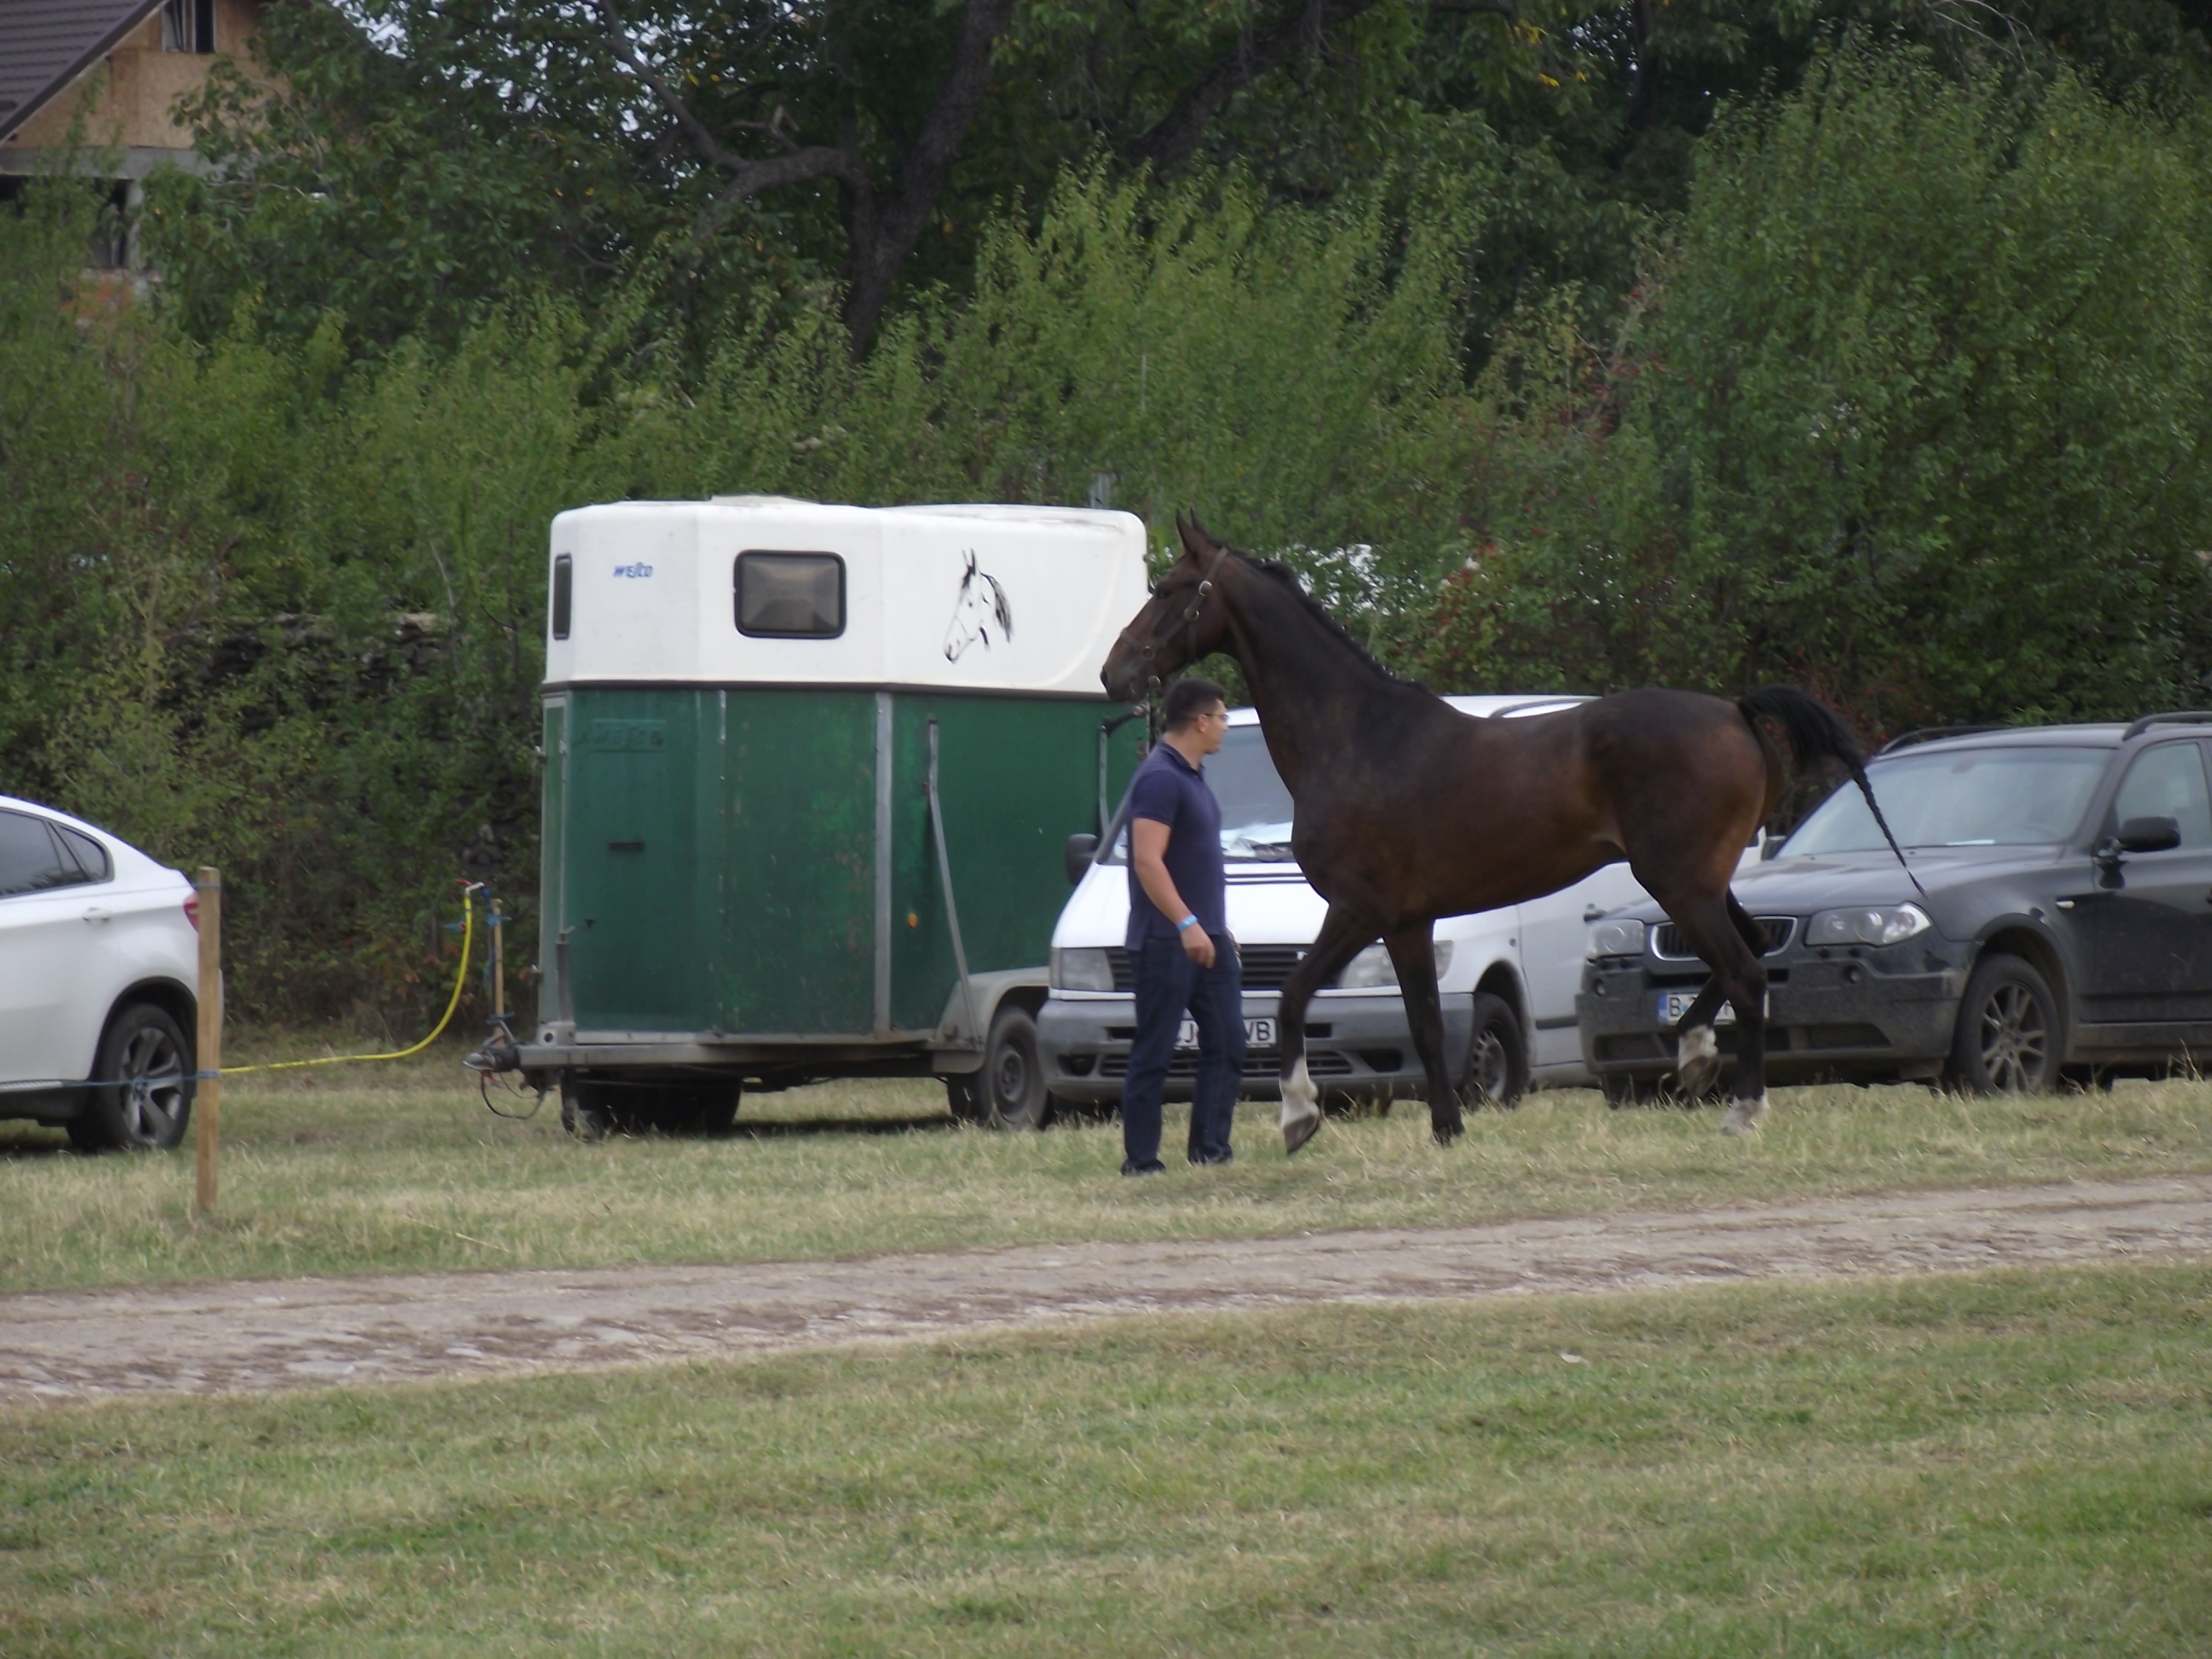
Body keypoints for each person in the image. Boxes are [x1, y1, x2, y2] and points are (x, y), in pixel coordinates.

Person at [1118, 676, 1244, 1174]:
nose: (1225, 728)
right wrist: (1187, 922)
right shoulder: (1159, 778)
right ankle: (1142, 1161)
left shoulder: (1192, 776)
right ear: (1201, 721)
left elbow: (1196, 861)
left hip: (1207, 937)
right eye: (1222, 718)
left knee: (1229, 1041)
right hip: (1165, 941)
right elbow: (1148, 862)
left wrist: (1214, 925)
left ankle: (1210, 1151)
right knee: (1155, 1050)